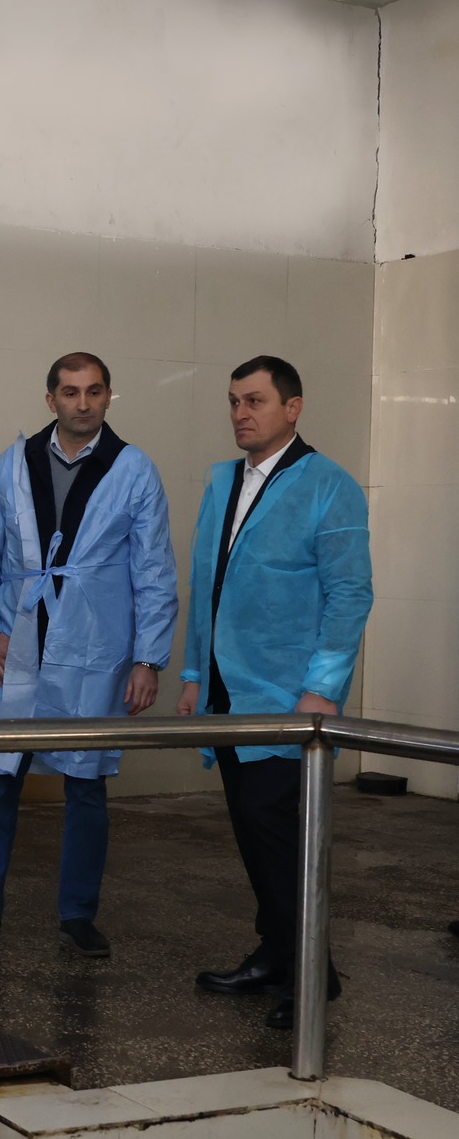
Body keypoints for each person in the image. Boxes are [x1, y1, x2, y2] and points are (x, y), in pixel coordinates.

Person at [0, 353, 178, 958]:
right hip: (20, 643)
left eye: (94, 391)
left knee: (86, 783)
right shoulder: (13, 464)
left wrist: (148, 659)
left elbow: (154, 568)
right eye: (70, 392)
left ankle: (77, 913)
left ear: (108, 397)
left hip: (95, 648)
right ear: (51, 399)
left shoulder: (133, 469)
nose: (82, 403)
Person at [180, 355, 372, 1030]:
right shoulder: (222, 481)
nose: (241, 413)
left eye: (255, 400)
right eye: (234, 400)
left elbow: (350, 594)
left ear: (293, 408)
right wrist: (194, 675)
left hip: (287, 694)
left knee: (277, 829)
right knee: (251, 827)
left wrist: (323, 688)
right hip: (227, 688)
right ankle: (275, 952)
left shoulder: (329, 486)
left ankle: (313, 973)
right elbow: (206, 581)